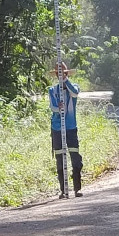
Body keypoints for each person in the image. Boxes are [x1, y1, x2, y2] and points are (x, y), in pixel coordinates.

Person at [48, 62, 83, 197]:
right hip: (57, 128)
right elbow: (53, 107)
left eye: (63, 73)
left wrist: (65, 80)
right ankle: (63, 190)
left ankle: (77, 188)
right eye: (58, 73)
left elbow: (75, 93)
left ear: (67, 74)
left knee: (75, 158)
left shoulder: (73, 87)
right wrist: (59, 108)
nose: (60, 75)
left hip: (71, 128)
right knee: (60, 159)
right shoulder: (52, 90)